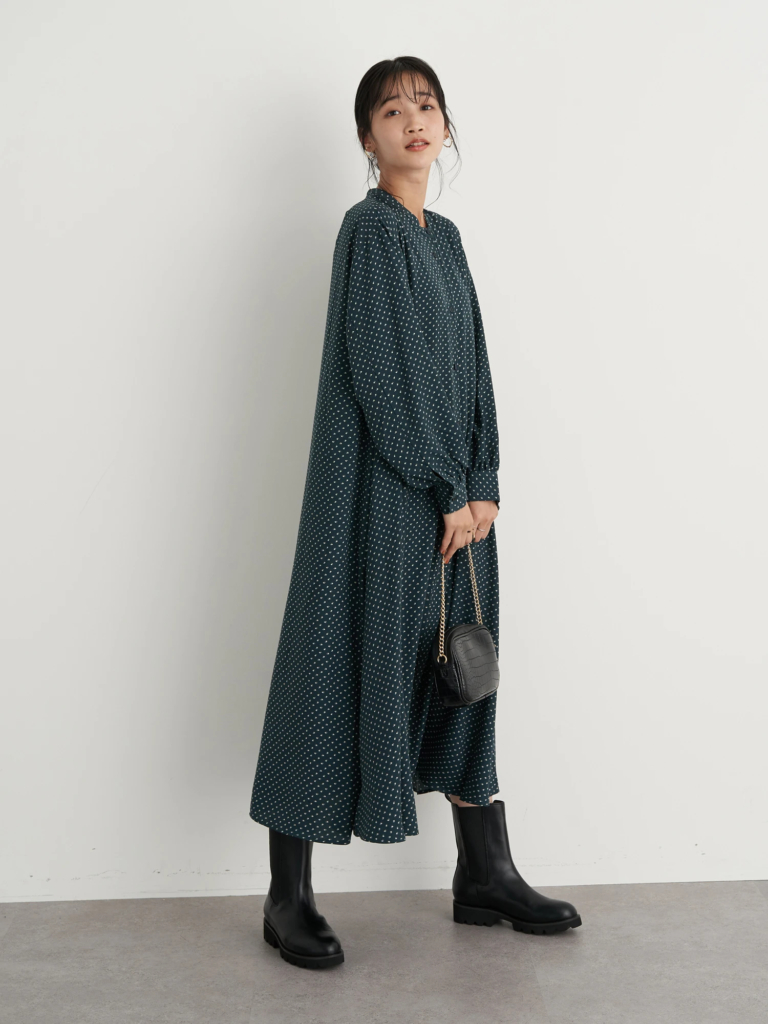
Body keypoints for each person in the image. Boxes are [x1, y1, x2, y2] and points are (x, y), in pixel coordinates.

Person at [250, 56, 582, 970]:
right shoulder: (369, 231)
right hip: (379, 498)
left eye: (426, 105)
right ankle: (287, 896)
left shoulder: (448, 239)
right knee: (334, 664)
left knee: (466, 668)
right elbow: (381, 374)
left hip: (459, 505)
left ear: (445, 124)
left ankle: (485, 871)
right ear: (367, 138)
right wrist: (447, 485)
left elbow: (472, 369)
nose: (413, 121)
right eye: (392, 111)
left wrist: (484, 483)